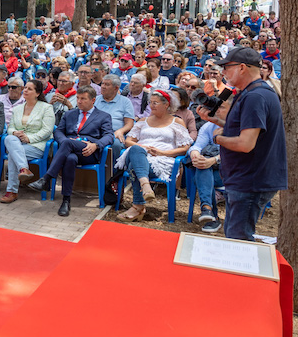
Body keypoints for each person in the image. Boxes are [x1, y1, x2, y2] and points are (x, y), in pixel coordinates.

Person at [199, 47, 287, 241]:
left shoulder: (256, 96)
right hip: (246, 177)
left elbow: (245, 144)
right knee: (234, 235)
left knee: (238, 240)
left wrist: (217, 138)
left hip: (251, 179)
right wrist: (217, 122)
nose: (223, 72)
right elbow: (246, 130)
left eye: (227, 67)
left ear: (241, 68)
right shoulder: (252, 93)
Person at [25, 87, 114, 217]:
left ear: (93, 100)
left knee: (67, 144)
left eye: (83, 99)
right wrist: (64, 142)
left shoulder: (103, 116)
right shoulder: (69, 114)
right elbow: (58, 131)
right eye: (77, 98)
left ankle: (46, 178)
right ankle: (66, 201)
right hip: (69, 150)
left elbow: (109, 136)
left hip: (88, 152)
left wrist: (96, 145)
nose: (79, 101)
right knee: (70, 158)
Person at [115, 90, 192, 222]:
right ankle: (146, 186)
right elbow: (128, 141)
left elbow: (185, 148)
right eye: (150, 102)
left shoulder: (177, 122)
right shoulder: (143, 121)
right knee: (136, 149)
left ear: (166, 104)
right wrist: (145, 148)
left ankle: (138, 206)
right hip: (139, 154)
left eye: (155, 103)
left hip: (162, 161)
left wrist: (162, 152)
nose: (151, 105)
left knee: (134, 166)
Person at [0, 80, 54, 203]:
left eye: (29, 89)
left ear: (37, 93)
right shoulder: (17, 109)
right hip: (18, 143)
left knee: (12, 155)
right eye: (25, 88)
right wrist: (15, 132)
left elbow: (47, 130)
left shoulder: (46, 108)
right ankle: (24, 169)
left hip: (37, 145)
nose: (25, 90)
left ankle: (12, 191)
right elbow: (10, 128)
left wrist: (29, 138)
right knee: (9, 138)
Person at [187, 115, 226, 234]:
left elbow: (238, 153)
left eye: (222, 108)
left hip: (233, 172)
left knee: (203, 175)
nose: (217, 112)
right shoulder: (209, 126)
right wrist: (195, 155)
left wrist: (214, 160)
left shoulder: (240, 126)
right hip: (211, 170)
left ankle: (209, 212)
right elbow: (197, 146)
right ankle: (207, 209)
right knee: (202, 167)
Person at [95, 74, 135, 154]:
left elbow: (129, 123)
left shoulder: (125, 101)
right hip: (95, 132)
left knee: (117, 144)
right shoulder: (95, 99)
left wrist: (120, 131)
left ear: (116, 88)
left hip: (114, 134)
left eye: (107, 84)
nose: (103, 86)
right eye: (102, 83)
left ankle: (113, 163)